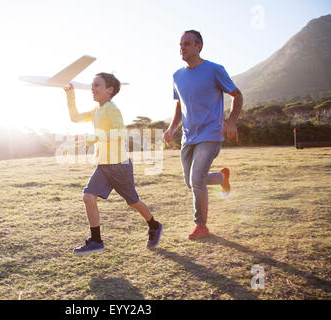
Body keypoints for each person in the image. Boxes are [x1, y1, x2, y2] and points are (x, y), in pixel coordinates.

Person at [64, 72, 162, 255]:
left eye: (97, 85)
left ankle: (154, 225)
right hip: (103, 164)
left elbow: (120, 133)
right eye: (92, 85)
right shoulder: (96, 111)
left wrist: (93, 138)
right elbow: (75, 117)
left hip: (118, 165)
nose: (92, 89)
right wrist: (69, 93)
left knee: (132, 201)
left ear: (110, 90)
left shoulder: (111, 108)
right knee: (88, 196)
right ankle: (96, 241)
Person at [164, 30, 243, 240]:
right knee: (190, 182)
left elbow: (237, 95)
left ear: (199, 46)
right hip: (188, 137)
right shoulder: (177, 76)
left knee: (197, 179)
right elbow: (180, 105)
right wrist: (172, 128)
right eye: (180, 44)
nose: (182, 47)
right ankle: (221, 177)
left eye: (187, 44)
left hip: (210, 134)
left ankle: (201, 225)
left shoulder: (215, 70)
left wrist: (232, 121)